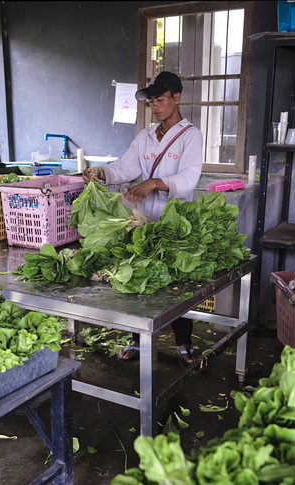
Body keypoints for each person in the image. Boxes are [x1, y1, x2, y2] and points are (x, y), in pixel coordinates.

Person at [82, 71, 203, 367]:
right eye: (151, 101)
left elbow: (188, 178)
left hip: (175, 224)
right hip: (141, 221)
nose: (155, 106)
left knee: (176, 284)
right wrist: (102, 173)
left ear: (177, 98)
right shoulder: (145, 136)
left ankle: (184, 341)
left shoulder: (191, 136)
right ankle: (137, 339)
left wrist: (152, 183)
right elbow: (124, 168)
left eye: (160, 99)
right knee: (139, 280)